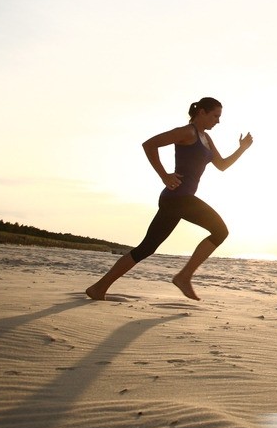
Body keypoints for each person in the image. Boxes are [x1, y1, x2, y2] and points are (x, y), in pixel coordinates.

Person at [85, 97, 253, 301]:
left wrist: (242, 148)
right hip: (177, 198)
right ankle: (184, 276)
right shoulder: (187, 132)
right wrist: (164, 175)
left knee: (146, 247)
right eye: (215, 115)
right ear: (201, 112)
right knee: (220, 231)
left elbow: (222, 165)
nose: (218, 121)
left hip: (177, 200)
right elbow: (149, 144)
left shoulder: (206, 139)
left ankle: (99, 288)